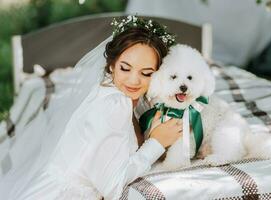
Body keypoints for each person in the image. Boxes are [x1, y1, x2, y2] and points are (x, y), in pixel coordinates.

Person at [0, 15, 183, 200]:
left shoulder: (113, 92)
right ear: (112, 66)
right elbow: (112, 187)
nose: (134, 80)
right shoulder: (114, 105)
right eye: (125, 69)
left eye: (146, 73)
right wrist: (157, 143)